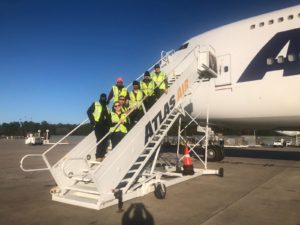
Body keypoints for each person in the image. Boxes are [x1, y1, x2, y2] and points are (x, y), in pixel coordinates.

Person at [87, 93, 111, 162]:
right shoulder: (95, 103)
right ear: (100, 97)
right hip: (98, 125)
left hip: (106, 125)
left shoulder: (106, 106)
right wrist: (93, 121)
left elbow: (109, 116)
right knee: (100, 140)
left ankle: (102, 155)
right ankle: (98, 156)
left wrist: (110, 124)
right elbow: (89, 112)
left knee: (105, 140)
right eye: (102, 97)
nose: (103, 98)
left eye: (105, 97)